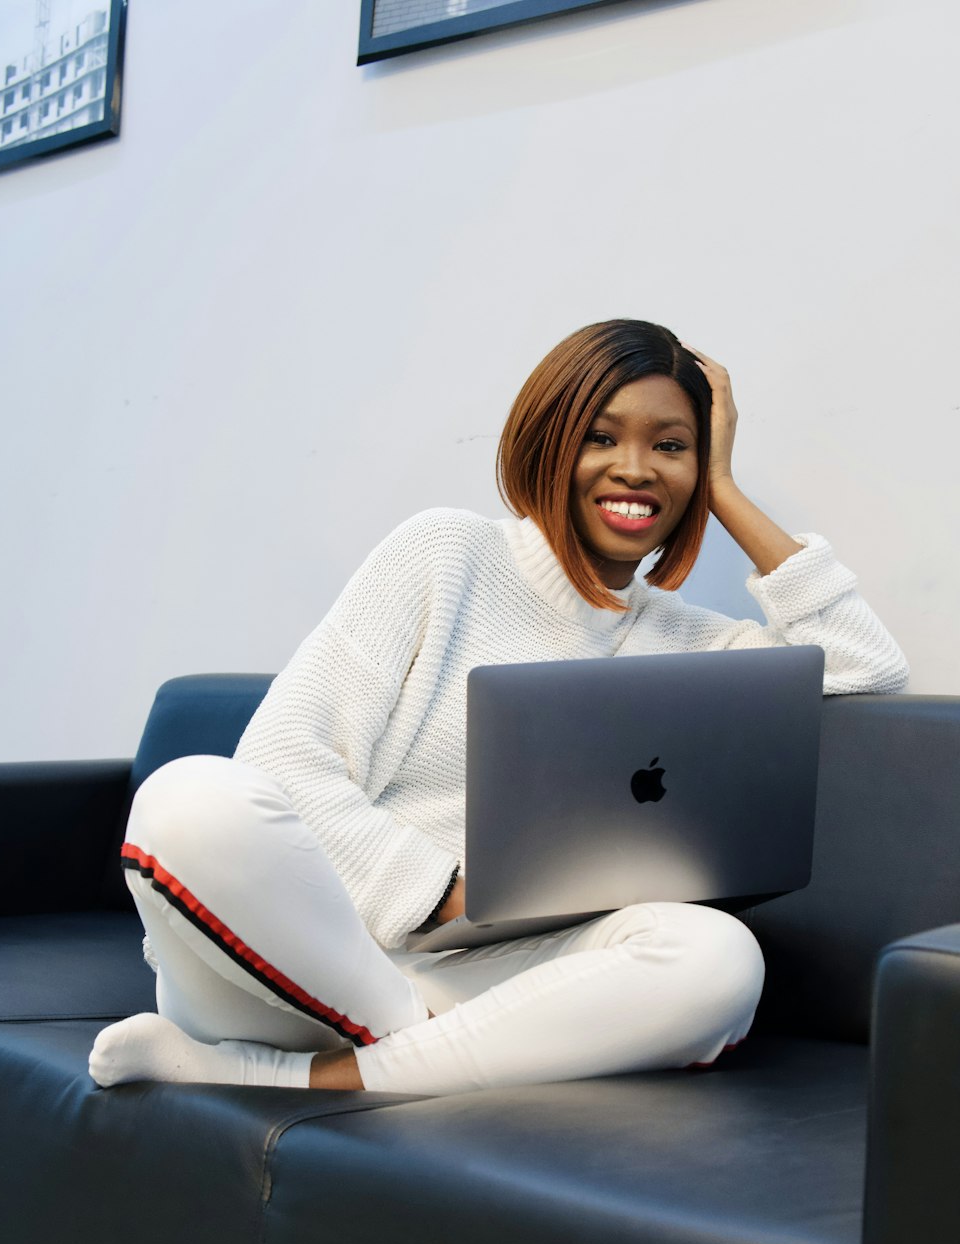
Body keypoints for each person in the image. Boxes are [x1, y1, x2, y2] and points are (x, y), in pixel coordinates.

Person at [89, 320, 908, 1098]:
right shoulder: (446, 553)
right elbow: (283, 759)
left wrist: (727, 487)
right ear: (549, 442)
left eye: (671, 446)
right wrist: (446, 891)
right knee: (187, 799)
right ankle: (412, 1043)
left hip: (491, 975)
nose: (636, 467)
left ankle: (299, 1074)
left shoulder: (700, 647)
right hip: (302, 960)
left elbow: (868, 667)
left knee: (719, 956)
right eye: (601, 436)